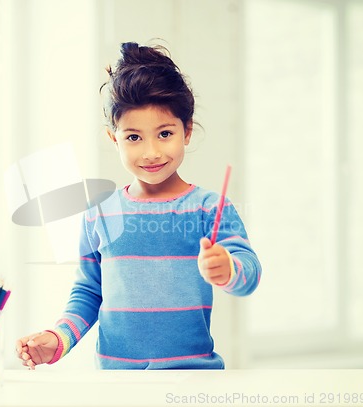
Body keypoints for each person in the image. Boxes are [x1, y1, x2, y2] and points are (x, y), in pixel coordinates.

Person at [16, 41, 262, 369]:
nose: (151, 152)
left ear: (186, 131)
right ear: (113, 138)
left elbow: (249, 273)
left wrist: (229, 269)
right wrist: (60, 338)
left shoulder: (209, 208)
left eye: (164, 134)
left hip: (192, 380)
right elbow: (89, 292)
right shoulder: (98, 213)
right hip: (118, 385)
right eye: (133, 137)